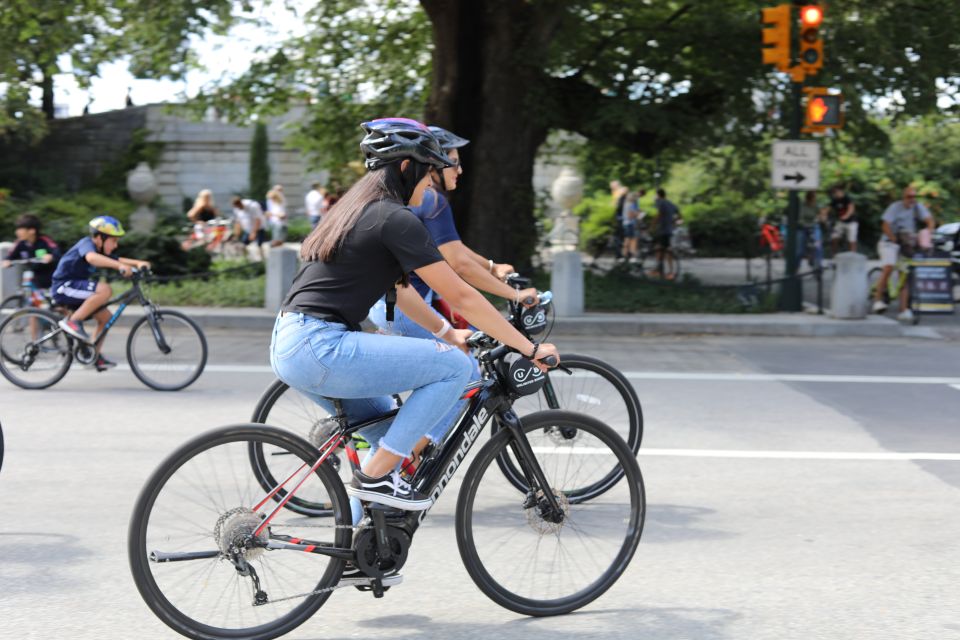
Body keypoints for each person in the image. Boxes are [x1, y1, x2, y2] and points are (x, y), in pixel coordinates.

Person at [271, 117, 558, 526]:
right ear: (407, 168)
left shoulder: (356, 211)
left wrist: (447, 331)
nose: (431, 187)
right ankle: (375, 480)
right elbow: (460, 294)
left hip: (291, 343)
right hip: (321, 346)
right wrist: (528, 348)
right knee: (456, 368)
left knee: (388, 433)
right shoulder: (394, 217)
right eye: (429, 174)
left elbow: (401, 291)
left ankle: (352, 544)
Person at [366, 124, 540, 467]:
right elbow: (458, 264)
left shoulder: (419, 200)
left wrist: (491, 267)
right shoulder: (431, 201)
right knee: (466, 373)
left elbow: (455, 251)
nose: (460, 170)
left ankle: (395, 444)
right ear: (431, 163)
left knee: (440, 365)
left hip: (390, 304)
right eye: (454, 162)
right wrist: (514, 297)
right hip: (403, 306)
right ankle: (409, 455)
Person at [53, 217, 151, 371]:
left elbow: (117, 258)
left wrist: (138, 263)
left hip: (76, 289)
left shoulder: (99, 250)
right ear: (99, 237)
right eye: (113, 241)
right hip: (64, 286)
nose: (116, 245)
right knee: (105, 289)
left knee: (105, 317)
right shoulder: (87, 244)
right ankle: (74, 321)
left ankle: (93, 356)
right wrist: (120, 266)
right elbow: (92, 258)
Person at [873, 186, 935, 321]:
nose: (912, 199)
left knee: (904, 275)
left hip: (905, 244)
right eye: (909, 197)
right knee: (888, 267)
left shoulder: (917, 207)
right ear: (903, 197)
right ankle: (877, 300)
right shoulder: (895, 207)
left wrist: (928, 232)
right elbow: (885, 225)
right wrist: (893, 238)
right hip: (889, 242)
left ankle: (903, 310)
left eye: (914, 197)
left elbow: (929, 220)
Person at [2, 213, 61, 291]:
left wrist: (50, 256)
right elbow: (11, 255)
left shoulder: (44, 240)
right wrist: (7, 261)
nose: (17, 232)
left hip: (52, 276)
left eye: (20, 229)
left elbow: (56, 252)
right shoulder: (20, 243)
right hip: (35, 276)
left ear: (32, 231)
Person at [652, 188, 681, 278]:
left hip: (663, 230)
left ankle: (669, 272)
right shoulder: (670, 203)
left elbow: (658, 215)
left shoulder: (660, 202)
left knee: (666, 251)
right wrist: (675, 222)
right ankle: (659, 269)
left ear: (658, 195)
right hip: (668, 230)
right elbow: (679, 215)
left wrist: (652, 225)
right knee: (659, 249)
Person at [231, 196, 267, 261]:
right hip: (248, 229)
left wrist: (254, 232)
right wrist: (236, 234)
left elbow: (258, 220)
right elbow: (238, 222)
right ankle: (246, 259)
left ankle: (262, 260)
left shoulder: (253, 205)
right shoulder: (236, 209)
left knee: (259, 244)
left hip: (258, 228)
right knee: (243, 244)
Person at [826, 185, 857, 254]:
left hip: (851, 222)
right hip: (840, 222)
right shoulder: (835, 200)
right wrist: (823, 214)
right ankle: (834, 256)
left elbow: (851, 208)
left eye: (836, 192)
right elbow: (828, 208)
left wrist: (846, 215)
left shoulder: (847, 198)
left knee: (851, 240)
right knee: (834, 237)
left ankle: (852, 256)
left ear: (840, 191)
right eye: (834, 193)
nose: (835, 194)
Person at [620, 190, 642, 262]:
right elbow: (630, 215)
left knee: (628, 239)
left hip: (626, 223)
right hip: (630, 223)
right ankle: (631, 256)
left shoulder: (626, 203)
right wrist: (638, 214)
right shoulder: (631, 204)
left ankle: (625, 256)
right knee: (631, 240)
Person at [609, 180, 628, 258]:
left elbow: (616, 205)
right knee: (620, 236)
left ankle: (620, 254)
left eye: (612, 186)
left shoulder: (619, 192)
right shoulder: (616, 193)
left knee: (619, 236)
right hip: (620, 217)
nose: (611, 188)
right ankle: (620, 253)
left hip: (620, 217)